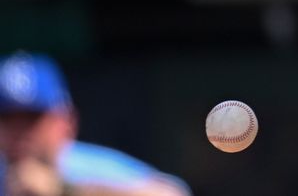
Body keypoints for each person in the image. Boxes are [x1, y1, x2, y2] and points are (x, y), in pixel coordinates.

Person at [0, 51, 190, 196]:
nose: (19, 131)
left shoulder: (83, 167)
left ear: (67, 122)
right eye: (7, 119)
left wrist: (64, 189)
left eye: (32, 119)